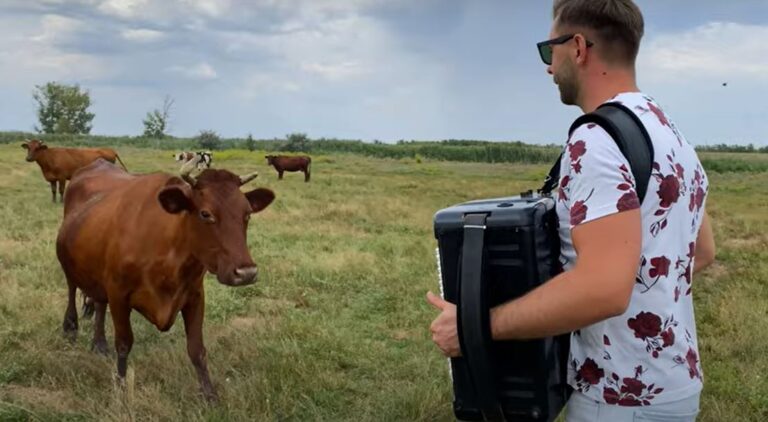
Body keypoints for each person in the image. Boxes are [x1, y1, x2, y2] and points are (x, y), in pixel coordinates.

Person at [427, 1, 716, 420]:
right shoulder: (669, 131)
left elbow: (603, 289)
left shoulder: (597, 140)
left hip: (617, 400)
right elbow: (701, 251)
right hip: (675, 386)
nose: (548, 67)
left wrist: (475, 328)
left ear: (578, 47)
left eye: (549, 51)